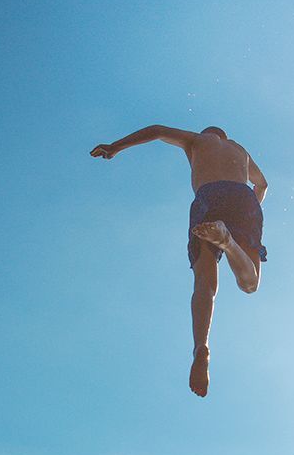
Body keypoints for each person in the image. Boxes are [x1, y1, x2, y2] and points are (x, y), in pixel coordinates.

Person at [91, 125, 267, 397]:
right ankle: (229, 242)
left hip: (209, 196)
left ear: (208, 134)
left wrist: (116, 146)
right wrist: (249, 211)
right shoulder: (240, 150)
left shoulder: (196, 140)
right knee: (250, 284)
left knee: (204, 284)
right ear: (225, 136)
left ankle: (201, 347)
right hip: (244, 199)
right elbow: (262, 185)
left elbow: (157, 130)